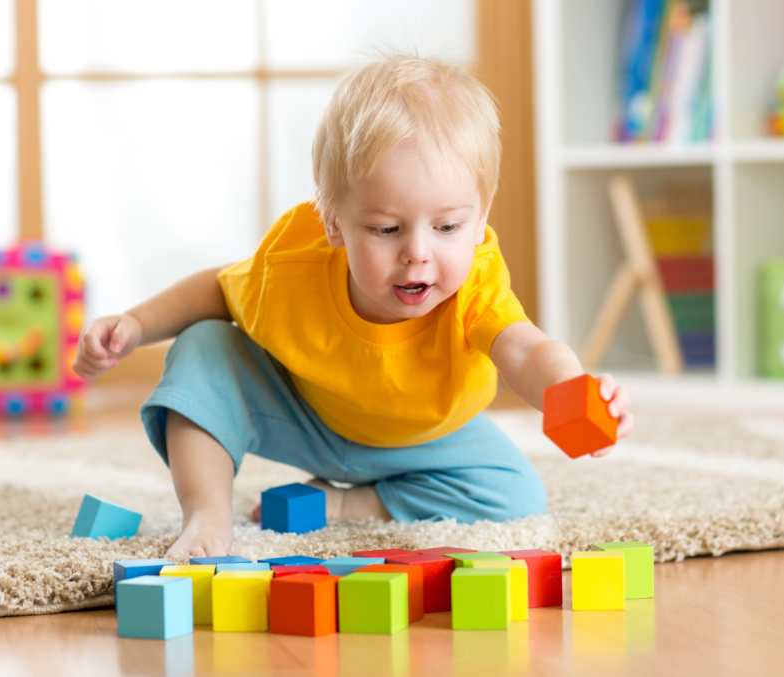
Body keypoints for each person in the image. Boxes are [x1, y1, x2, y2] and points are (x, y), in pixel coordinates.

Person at [73, 52, 634, 559]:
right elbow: (219, 289)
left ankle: (349, 505)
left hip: (425, 439)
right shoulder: (296, 262)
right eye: (387, 228)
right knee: (203, 344)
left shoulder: (475, 285)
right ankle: (207, 512)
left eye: (447, 226)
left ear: (480, 219)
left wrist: (568, 386)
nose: (418, 253)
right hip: (304, 414)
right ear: (334, 222)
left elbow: (525, 350)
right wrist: (138, 323)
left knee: (517, 492)